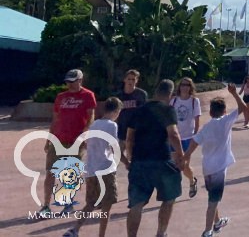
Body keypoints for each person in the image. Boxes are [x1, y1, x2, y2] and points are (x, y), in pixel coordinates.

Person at [125, 79, 186, 237]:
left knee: (136, 204)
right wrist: (180, 155)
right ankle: (161, 233)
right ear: (170, 95)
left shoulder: (139, 110)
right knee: (170, 197)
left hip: (139, 161)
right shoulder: (167, 110)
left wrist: (131, 158)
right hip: (161, 160)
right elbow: (173, 134)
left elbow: (130, 138)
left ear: (156, 91)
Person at [184, 83, 244, 237]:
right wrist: (235, 94)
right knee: (213, 202)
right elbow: (243, 108)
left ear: (210, 112)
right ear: (224, 111)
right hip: (219, 169)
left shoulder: (206, 127)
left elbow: (194, 142)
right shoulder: (225, 121)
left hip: (207, 168)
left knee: (213, 197)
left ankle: (217, 223)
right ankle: (207, 231)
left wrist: (186, 157)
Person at [40, 68, 97, 215]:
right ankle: (45, 206)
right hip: (58, 140)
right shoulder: (61, 97)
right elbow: (55, 119)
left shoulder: (88, 95)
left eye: (73, 82)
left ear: (80, 80)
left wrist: (86, 133)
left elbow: (91, 116)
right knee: (50, 173)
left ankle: (68, 203)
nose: (70, 85)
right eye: (68, 82)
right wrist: (49, 139)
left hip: (76, 141)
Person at [65, 97, 122, 237]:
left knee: (91, 203)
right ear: (115, 111)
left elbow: (86, 143)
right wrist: (125, 161)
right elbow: (114, 146)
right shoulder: (112, 125)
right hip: (106, 168)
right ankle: (101, 234)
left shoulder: (94, 124)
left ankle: (75, 229)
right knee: (107, 204)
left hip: (91, 169)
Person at [171, 77, 201, 198]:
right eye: (183, 85)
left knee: (184, 165)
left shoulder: (194, 101)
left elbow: (197, 120)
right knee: (175, 163)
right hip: (175, 137)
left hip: (188, 137)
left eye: (187, 85)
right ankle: (174, 189)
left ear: (191, 87)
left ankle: (192, 180)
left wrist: (195, 136)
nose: (185, 87)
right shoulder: (173, 101)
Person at [115, 70, 147, 162]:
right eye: (129, 79)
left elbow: (144, 112)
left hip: (136, 132)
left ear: (136, 81)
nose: (131, 82)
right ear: (125, 80)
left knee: (135, 157)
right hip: (122, 131)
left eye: (133, 79)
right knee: (117, 156)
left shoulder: (141, 95)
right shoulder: (119, 96)